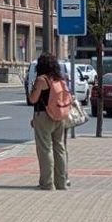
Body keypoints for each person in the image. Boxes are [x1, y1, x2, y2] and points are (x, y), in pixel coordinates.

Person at [27, 52, 69, 190]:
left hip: (44, 117)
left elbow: (33, 99)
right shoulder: (59, 79)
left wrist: (31, 88)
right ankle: (61, 182)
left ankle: (47, 183)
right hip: (60, 116)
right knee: (59, 148)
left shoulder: (41, 80)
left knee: (45, 149)